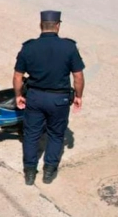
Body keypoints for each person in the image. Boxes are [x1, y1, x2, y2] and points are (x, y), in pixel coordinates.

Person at [13, 10, 85, 186]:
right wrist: (79, 96)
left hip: (35, 97)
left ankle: (29, 172)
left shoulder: (28, 47)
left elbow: (17, 76)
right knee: (56, 134)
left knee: (31, 135)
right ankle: (49, 172)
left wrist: (18, 96)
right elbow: (78, 76)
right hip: (59, 100)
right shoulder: (69, 47)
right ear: (58, 26)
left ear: (40, 25)